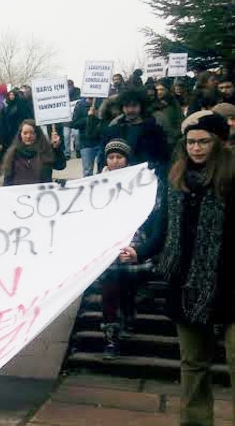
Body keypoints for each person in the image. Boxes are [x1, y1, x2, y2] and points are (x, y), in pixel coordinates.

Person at [132, 111, 232, 425]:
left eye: (203, 141)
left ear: (218, 143)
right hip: (186, 282)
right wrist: (138, 251)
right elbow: (163, 230)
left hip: (229, 284)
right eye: (191, 142)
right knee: (192, 364)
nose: (196, 148)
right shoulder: (176, 178)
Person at [95, 138, 154, 360]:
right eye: (111, 157)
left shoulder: (140, 181)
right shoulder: (96, 183)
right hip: (106, 244)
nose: (115, 161)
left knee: (127, 285)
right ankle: (111, 338)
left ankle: (129, 314)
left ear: (127, 160)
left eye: (119, 157)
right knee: (109, 291)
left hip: (132, 241)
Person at [102, 88, 170, 177]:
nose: (130, 110)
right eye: (127, 106)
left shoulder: (154, 129)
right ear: (122, 107)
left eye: (134, 106)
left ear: (141, 106)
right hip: (119, 178)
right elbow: (105, 156)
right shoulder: (113, 130)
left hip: (146, 177)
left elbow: (163, 157)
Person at [2, 119, 66, 186]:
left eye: (32, 133)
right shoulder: (13, 154)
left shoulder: (45, 151)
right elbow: (7, 181)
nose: (28, 136)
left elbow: (60, 166)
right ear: (20, 135)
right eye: (25, 133)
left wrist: (57, 149)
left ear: (37, 134)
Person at [151, 81, 185, 149]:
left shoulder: (173, 102)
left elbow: (180, 118)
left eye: (162, 89)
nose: (159, 92)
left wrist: (175, 134)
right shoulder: (152, 105)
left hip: (172, 139)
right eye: (157, 90)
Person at [72, 97, 99, 176]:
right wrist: (89, 117)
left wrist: (97, 115)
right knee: (87, 171)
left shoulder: (102, 102)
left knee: (103, 170)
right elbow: (74, 123)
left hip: (101, 141)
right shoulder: (80, 105)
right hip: (86, 143)